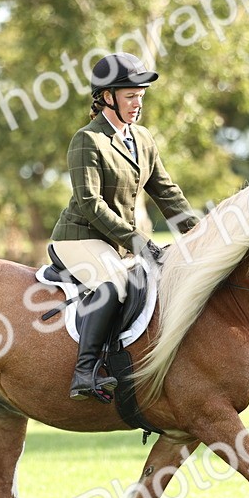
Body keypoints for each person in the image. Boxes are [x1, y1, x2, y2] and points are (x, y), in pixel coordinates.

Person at [49, 52, 198, 401]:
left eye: (141, 96)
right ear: (107, 97)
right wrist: (137, 240)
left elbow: (167, 193)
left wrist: (201, 234)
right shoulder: (88, 140)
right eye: (131, 96)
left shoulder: (143, 139)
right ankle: (84, 372)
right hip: (79, 237)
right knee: (113, 283)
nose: (138, 103)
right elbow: (90, 203)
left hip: (115, 243)